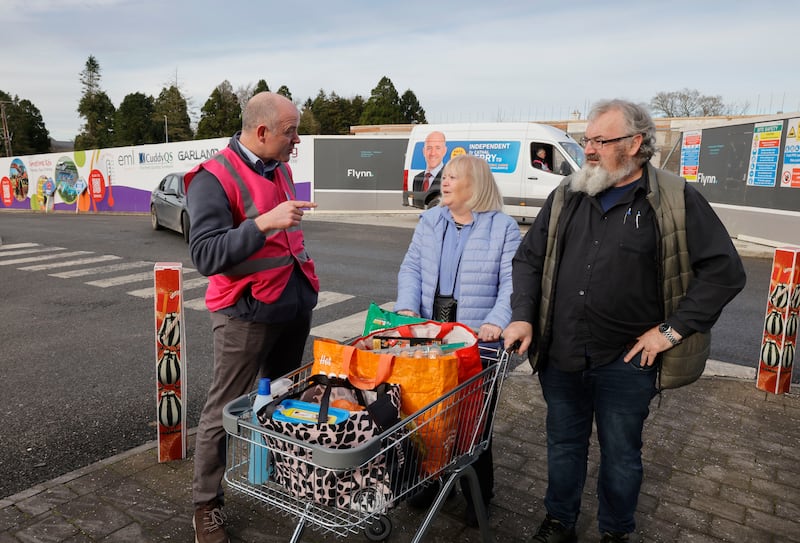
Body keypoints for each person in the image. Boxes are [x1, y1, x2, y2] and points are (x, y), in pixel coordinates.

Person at [503, 99, 746, 543]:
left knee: (620, 456)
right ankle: (560, 522)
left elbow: (725, 272)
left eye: (601, 140)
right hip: (561, 354)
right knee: (563, 446)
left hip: (627, 362)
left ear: (635, 144)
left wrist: (670, 331)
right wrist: (522, 317)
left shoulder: (674, 197)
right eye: (587, 139)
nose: (589, 150)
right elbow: (529, 259)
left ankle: (616, 531)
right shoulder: (568, 193)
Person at [184, 92, 320, 543]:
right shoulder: (211, 178)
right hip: (244, 314)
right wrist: (264, 222)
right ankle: (207, 505)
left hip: (291, 304)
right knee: (223, 409)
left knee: (281, 396)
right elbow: (206, 254)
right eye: (290, 131)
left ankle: (277, 474)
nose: (296, 140)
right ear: (261, 132)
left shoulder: (279, 166)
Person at [395, 153, 521, 526]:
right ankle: (431, 482)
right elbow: (412, 267)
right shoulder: (431, 220)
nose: (443, 182)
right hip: (430, 335)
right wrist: (405, 307)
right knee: (423, 415)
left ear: (475, 185)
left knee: (471, 421)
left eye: (452, 177)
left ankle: (479, 492)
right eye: (444, 176)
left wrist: (497, 321)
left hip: (475, 340)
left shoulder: (503, 227)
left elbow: (513, 283)